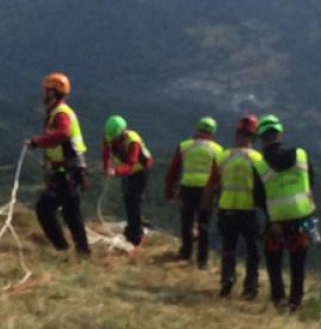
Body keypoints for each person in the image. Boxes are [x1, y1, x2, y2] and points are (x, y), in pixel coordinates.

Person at [255, 116, 318, 315]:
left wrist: (271, 212)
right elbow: (311, 181)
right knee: (298, 261)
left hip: (276, 221)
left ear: (261, 138)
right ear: (280, 134)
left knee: (274, 260)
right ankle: (296, 302)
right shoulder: (301, 155)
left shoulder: (259, 165)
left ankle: (279, 299)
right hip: (303, 216)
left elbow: (257, 197)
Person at [202, 115, 267, 300]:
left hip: (227, 208)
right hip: (249, 210)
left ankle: (227, 279)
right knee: (252, 250)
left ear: (236, 134)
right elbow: (266, 187)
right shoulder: (258, 159)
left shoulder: (224, 156)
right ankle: (250, 287)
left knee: (228, 248)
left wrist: (204, 208)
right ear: (253, 138)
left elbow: (211, 185)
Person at [27, 73, 92, 255]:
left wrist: (37, 142)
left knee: (44, 209)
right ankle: (82, 251)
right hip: (68, 171)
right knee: (71, 213)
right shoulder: (56, 113)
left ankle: (62, 247)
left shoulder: (60, 113)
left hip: (67, 172)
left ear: (53, 93)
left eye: (45, 91)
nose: (42, 94)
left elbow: (62, 134)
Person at [163, 117, 224, 267]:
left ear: (197, 129)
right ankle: (202, 260)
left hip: (187, 188)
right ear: (213, 133)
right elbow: (222, 175)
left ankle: (185, 252)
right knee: (204, 224)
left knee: (186, 222)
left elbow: (173, 171)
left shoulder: (184, 146)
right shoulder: (218, 150)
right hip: (207, 191)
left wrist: (169, 191)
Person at [101, 115, 153, 248]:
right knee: (127, 198)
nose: (113, 140)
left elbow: (131, 163)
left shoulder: (133, 141)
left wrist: (116, 171)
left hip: (140, 170)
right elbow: (106, 152)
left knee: (134, 200)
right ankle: (132, 229)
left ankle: (137, 236)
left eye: (115, 138)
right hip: (127, 170)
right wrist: (106, 166)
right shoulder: (110, 137)